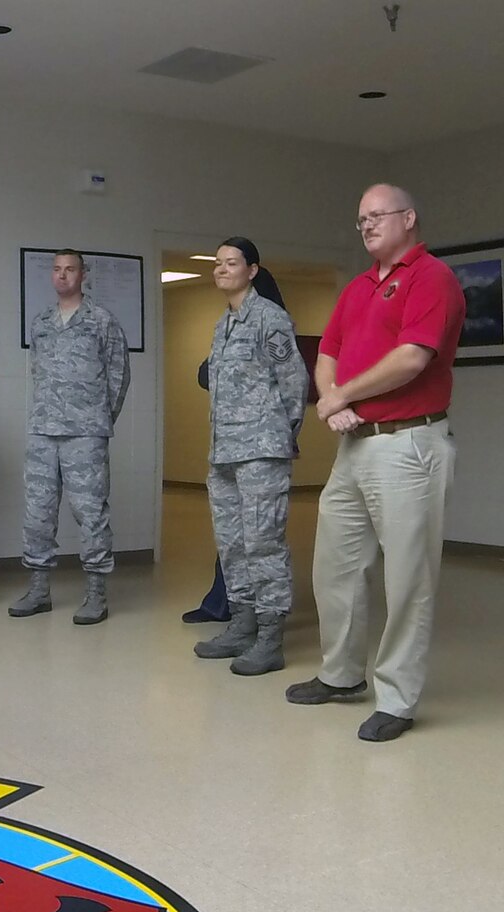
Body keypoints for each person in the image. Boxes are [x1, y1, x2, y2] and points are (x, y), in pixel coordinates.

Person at [287, 184, 464, 742]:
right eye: (360, 218)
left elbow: (412, 358)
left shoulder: (430, 277)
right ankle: (341, 677)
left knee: (409, 576)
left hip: (410, 445)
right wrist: (333, 398)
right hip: (356, 444)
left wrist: (343, 398)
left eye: (377, 215)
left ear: (409, 218)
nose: (366, 225)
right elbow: (327, 354)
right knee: (335, 567)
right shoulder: (360, 286)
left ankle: (398, 697)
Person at [191, 238, 305, 676]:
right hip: (224, 454)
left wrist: (280, 436)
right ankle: (241, 625)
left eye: (231, 263)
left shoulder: (270, 320)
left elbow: (294, 385)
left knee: (263, 543)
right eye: (217, 263)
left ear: (252, 270)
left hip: (261, 451)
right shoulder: (224, 324)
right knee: (232, 543)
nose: (221, 269)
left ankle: (270, 638)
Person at [12, 249, 130, 624]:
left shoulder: (102, 321)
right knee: (37, 513)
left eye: (70, 270)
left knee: (91, 513)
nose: (63, 276)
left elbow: (119, 376)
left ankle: (96, 593)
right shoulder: (41, 322)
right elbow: (37, 371)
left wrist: (97, 417)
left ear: (84, 274)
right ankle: (38, 589)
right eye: (58, 270)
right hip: (43, 430)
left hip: (85, 433)